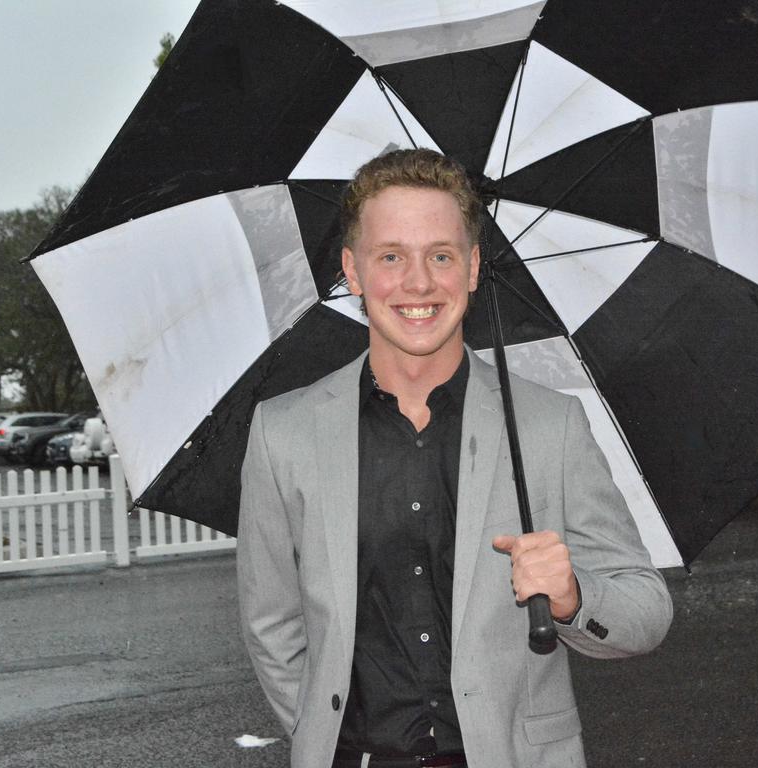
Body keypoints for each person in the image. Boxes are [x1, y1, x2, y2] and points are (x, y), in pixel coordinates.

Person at [237, 148, 673, 768]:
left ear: (471, 269)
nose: (418, 283)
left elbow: (645, 611)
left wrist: (574, 597)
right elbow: (271, 624)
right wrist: (318, 733)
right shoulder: (282, 433)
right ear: (352, 271)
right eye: (391, 256)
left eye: (440, 255)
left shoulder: (550, 425)